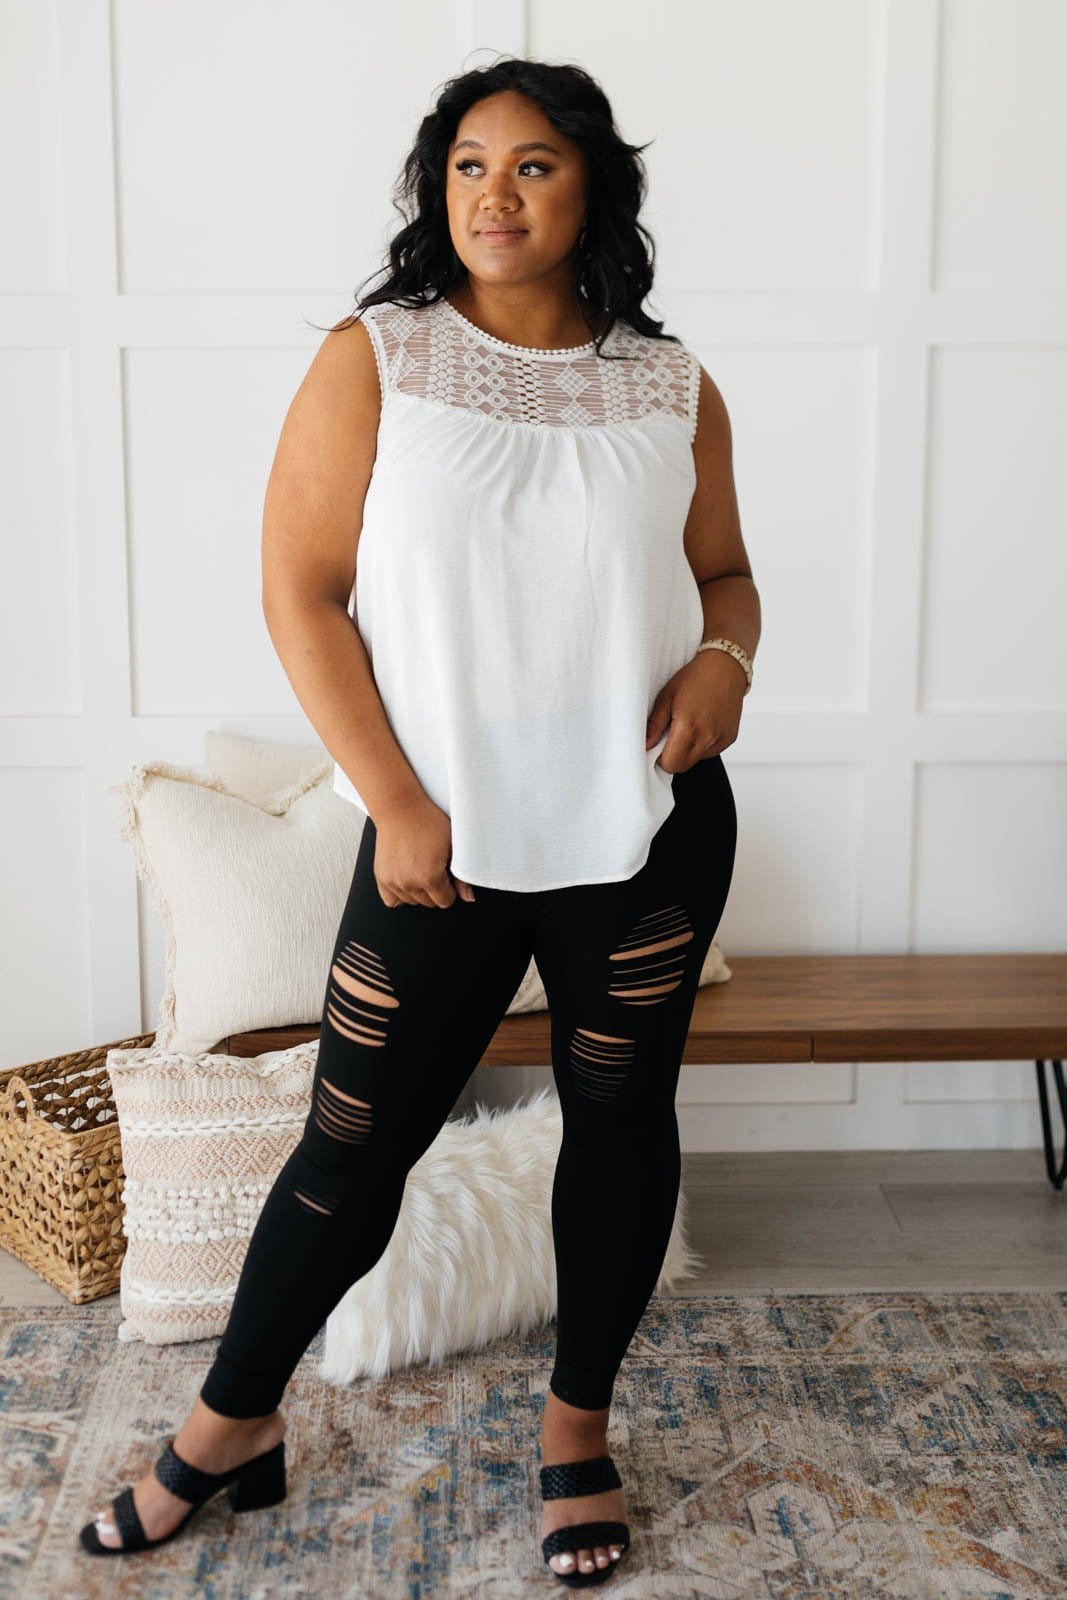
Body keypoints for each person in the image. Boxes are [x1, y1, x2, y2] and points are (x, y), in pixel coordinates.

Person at [81, 56, 759, 1588]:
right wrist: (392, 799)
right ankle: (229, 1425)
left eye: (531, 165)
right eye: (466, 165)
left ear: (595, 189)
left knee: (619, 1125)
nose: (492, 195)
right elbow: (299, 592)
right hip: (435, 843)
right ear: (435, 187)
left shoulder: (671, 384)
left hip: (649, 829)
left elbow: (727, 574)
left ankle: (576, 1429)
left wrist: (726, 660)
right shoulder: (379, 356)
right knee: (351, 1143)